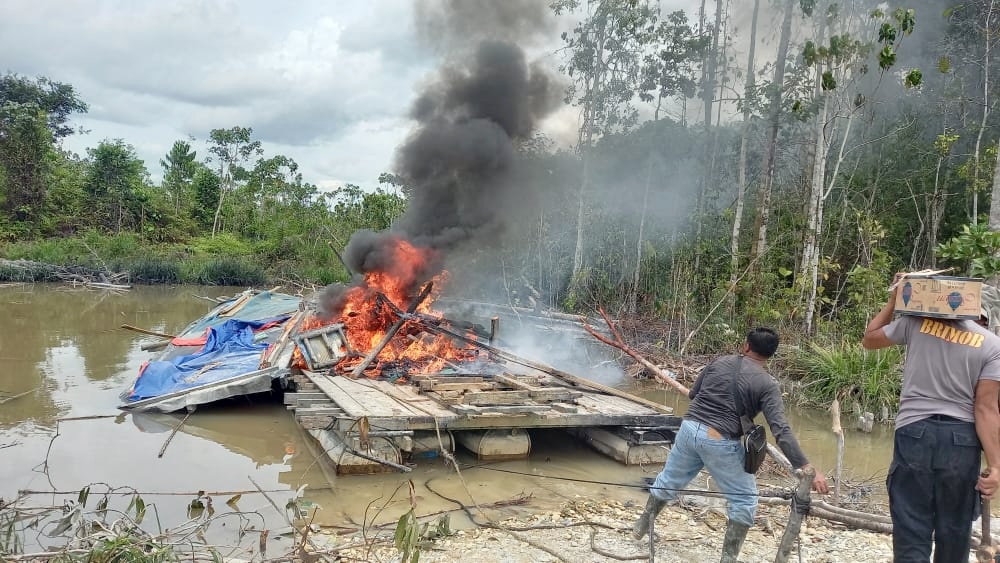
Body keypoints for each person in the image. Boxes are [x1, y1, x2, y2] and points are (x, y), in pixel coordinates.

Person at [633, 327, 829, 563]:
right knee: (744, 501)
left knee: (668, 481)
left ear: (746, 346)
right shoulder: (767, 384)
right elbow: (781, 431)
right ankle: (728, 559)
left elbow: (694, 394)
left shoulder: (720, 362)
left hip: (688, 428)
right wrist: (807, 466)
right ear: (771, 354)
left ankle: (641, 528)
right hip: (717, 438)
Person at [862, 276, 1000, 562]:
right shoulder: (992, 345)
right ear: (982, 312)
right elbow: (985, 409)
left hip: (914, 433)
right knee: (955, 529)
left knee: (912, 526)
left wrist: (895, 301)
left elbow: (870, 338)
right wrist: (996, 466)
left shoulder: (917, 323)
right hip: (962, 441)